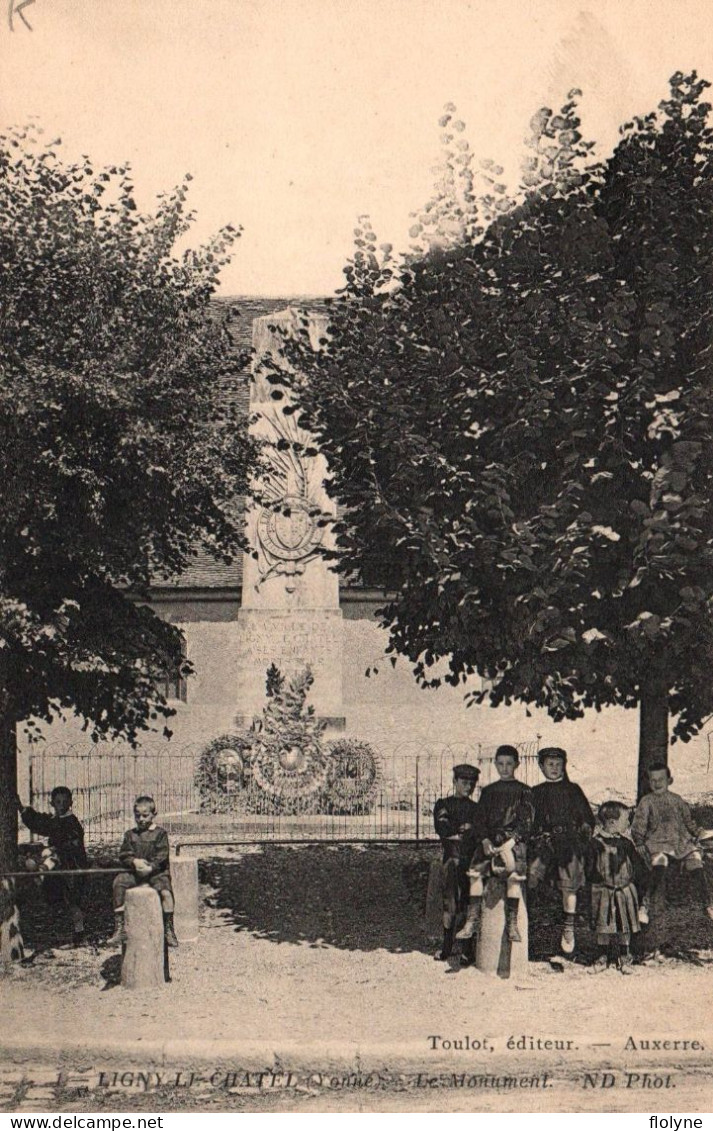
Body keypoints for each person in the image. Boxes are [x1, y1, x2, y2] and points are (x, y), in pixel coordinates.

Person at [631, 763, 713, 961]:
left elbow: (689, 823)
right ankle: (645, 905)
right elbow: (638, 826)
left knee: (696, 862)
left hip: (681, 843)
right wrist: (639, 841)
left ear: (670, 781)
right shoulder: (646, 802)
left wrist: (700, 833)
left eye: (661, 779)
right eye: (653, 780)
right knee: (659, 864)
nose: (657, 783)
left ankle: (708, 904)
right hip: (659, 843)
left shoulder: (678, 800)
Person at [457, 744, 533, 945]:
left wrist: (512, 841)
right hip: (490, 841)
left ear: (517, 764)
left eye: (509, 764)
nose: (505, 768)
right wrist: (484, 840)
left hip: (512, 843)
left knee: (514, 878)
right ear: (495, 764)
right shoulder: (489, 791)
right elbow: (479, 820)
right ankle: (471, 921)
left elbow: (527, 822)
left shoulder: (524, 791)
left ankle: (512, 924)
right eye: (501, 764)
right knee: (475, 874)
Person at [528, 747, 594, 957]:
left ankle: (568, 927)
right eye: (549, 765)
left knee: (569, 884)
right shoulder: (535, 792)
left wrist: (584, 830)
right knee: (530, 877)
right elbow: (529, 821)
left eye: (558, 765)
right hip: (545, 843)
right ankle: (523, 924)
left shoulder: (573, 790)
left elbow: (587, 818)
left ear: (564, 766)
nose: (554, 769)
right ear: (541, 766)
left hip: (568, 843)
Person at [17, 787, 88, 945]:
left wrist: (56, 848)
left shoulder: (72, 822)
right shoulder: (55, 821)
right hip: (59, 866)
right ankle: (62, 931)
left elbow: (74, 844)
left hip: (72, 866)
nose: (61, 805)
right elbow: (39, 823)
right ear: (52, 803)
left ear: (70, 803)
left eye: (64, 802)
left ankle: (79, 933)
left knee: (73, 902)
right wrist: (22, 809)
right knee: (56, 899)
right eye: (57, 802)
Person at [108, 796, 178, 948]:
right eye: (137, 815)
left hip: (156, 872)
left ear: (154, 815)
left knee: (166, 892)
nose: (141, 819)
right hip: (135, 872)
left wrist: (150, 867)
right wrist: (134, 862)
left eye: (145, 815)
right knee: (119, 883)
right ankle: (120, 927)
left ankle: (169, 929)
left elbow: (162, 855)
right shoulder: (130, 835)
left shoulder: (160, 834)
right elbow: (124, 854)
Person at [586, 801, 647, 974]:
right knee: (603, 925)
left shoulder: (626, 844)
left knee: (624, 924)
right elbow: (589, 868)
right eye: (626, 819)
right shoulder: (594, 844)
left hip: (624, 889)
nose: (628, 823)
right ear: (612, 822)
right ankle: (602, 957)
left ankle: (625, 957)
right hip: (603, 890)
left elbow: (638, 866)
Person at [433, 764, 480, 964]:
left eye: (471, 783)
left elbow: (478, 833)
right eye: (464, 782)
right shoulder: (443, 804)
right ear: (454, 782)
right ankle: (446, 947)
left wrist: (460, 833)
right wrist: (464, 831)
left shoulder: (476, 808)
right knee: (449, 904)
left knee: (469, 904)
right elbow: (443, 829)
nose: (467, 787)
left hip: (470, 861)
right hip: (451, 859)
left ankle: (466, 951)